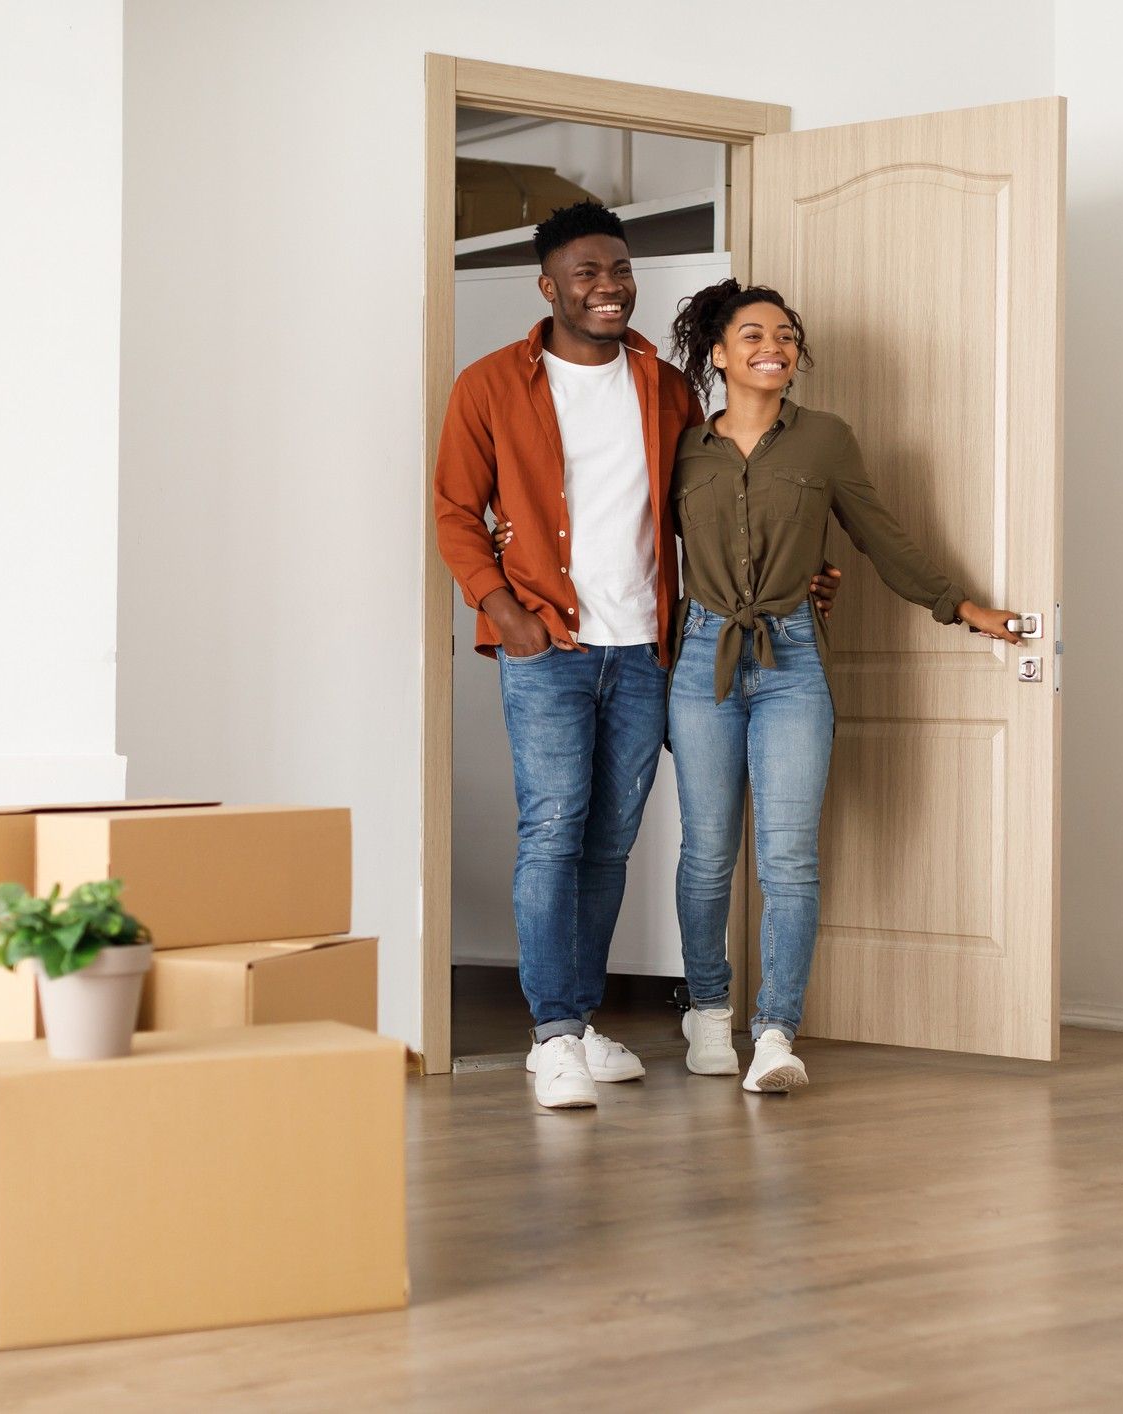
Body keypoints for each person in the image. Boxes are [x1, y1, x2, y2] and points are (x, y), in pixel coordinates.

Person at [433, 205, 838, 1111]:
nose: (608, 287)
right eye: (585, 273)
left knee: (609, 842)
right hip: (547, 647)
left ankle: (577, 1020)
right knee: (551, 829)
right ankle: (551, 1038)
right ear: (548, 287)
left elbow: (716, 503)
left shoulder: (664, 386)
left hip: (651, 647)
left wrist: (791, 575)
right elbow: (457, 512)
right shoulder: (491, 384)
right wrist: (504, 608)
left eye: (618, 270)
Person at [662, 279, 1021, 1094]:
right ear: (717, 354)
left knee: (788, 858)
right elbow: (644, 551)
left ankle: (776, 1034)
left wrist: (957, 605)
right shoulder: (680, 446)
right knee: (708, 854)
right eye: (752, 335)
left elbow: (877, 533)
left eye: (785, 336)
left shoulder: (823, 440)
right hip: (700, 657)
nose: (773, 348)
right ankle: (708, 1014)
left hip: (792, 658)